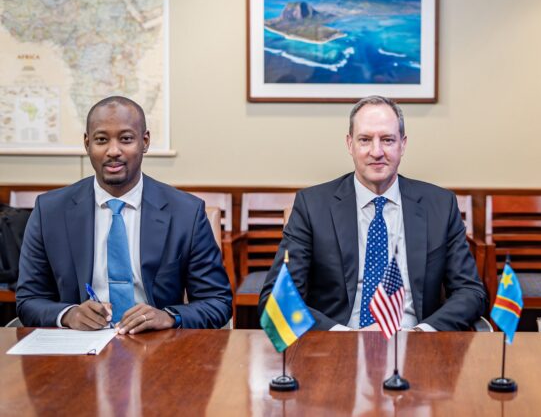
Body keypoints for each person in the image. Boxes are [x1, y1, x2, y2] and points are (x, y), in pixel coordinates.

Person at [259, 96, 486, 331]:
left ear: (402, 145)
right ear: (350, 144)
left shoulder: (440, 206)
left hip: (415, 341)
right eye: (365, 140)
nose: (376, 152)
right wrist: (344, 336)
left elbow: (470, 292)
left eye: (387, 140)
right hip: (337, 342)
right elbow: (276, 298)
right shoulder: (312, 206)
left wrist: (421, 332)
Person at [16, 96, 232, 332]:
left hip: (156, 343)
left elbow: (217, 302)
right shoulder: (50, 211)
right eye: (101, 140)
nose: (113, 151)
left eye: (126, 139)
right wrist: (69, 314)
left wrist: (169, 317)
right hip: (79, 343)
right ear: (87, 144)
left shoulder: (186, 213)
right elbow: (29, 300)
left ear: (145, 142)